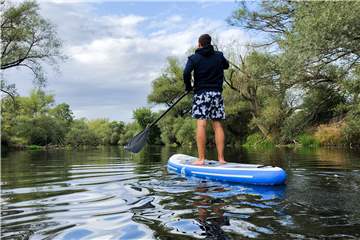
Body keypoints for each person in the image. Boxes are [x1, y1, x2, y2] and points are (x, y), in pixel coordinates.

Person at [183, 34, 229, 165]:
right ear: (210, 43)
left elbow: (186, 73)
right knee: (217, 124)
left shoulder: (194, 58)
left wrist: (188, 87)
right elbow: (226, 66)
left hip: (201, 94)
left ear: (199, 44)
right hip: (216, 94)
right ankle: (221, 159)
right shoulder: (219, 56)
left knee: (201, 124)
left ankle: (201, 159)